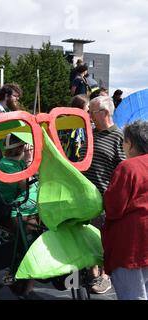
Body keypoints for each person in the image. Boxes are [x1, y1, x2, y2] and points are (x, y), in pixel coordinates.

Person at [79, 95, 126, 294]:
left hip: (104, 199)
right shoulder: (90, 134)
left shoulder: (120, 137)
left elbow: (124, 170)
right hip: (84, 197)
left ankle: (104, 275)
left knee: (103, 240)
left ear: (105, 113)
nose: (88, 115)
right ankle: (92, 272)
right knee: (88, 236)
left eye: (92, 111)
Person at [102, 120, 148, 300]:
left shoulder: (128, 167)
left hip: (132, 243)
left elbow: (114, 208)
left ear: (130, 143)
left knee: (133, 294)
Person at [0, 133, 40, 299]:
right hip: (14, 210)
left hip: (29, 208)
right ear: (20, 147)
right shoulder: (6, 164)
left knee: (38, 236)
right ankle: (25, 285)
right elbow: (25, 185)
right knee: (29, 243)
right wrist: (29, 161)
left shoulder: (17, 162)